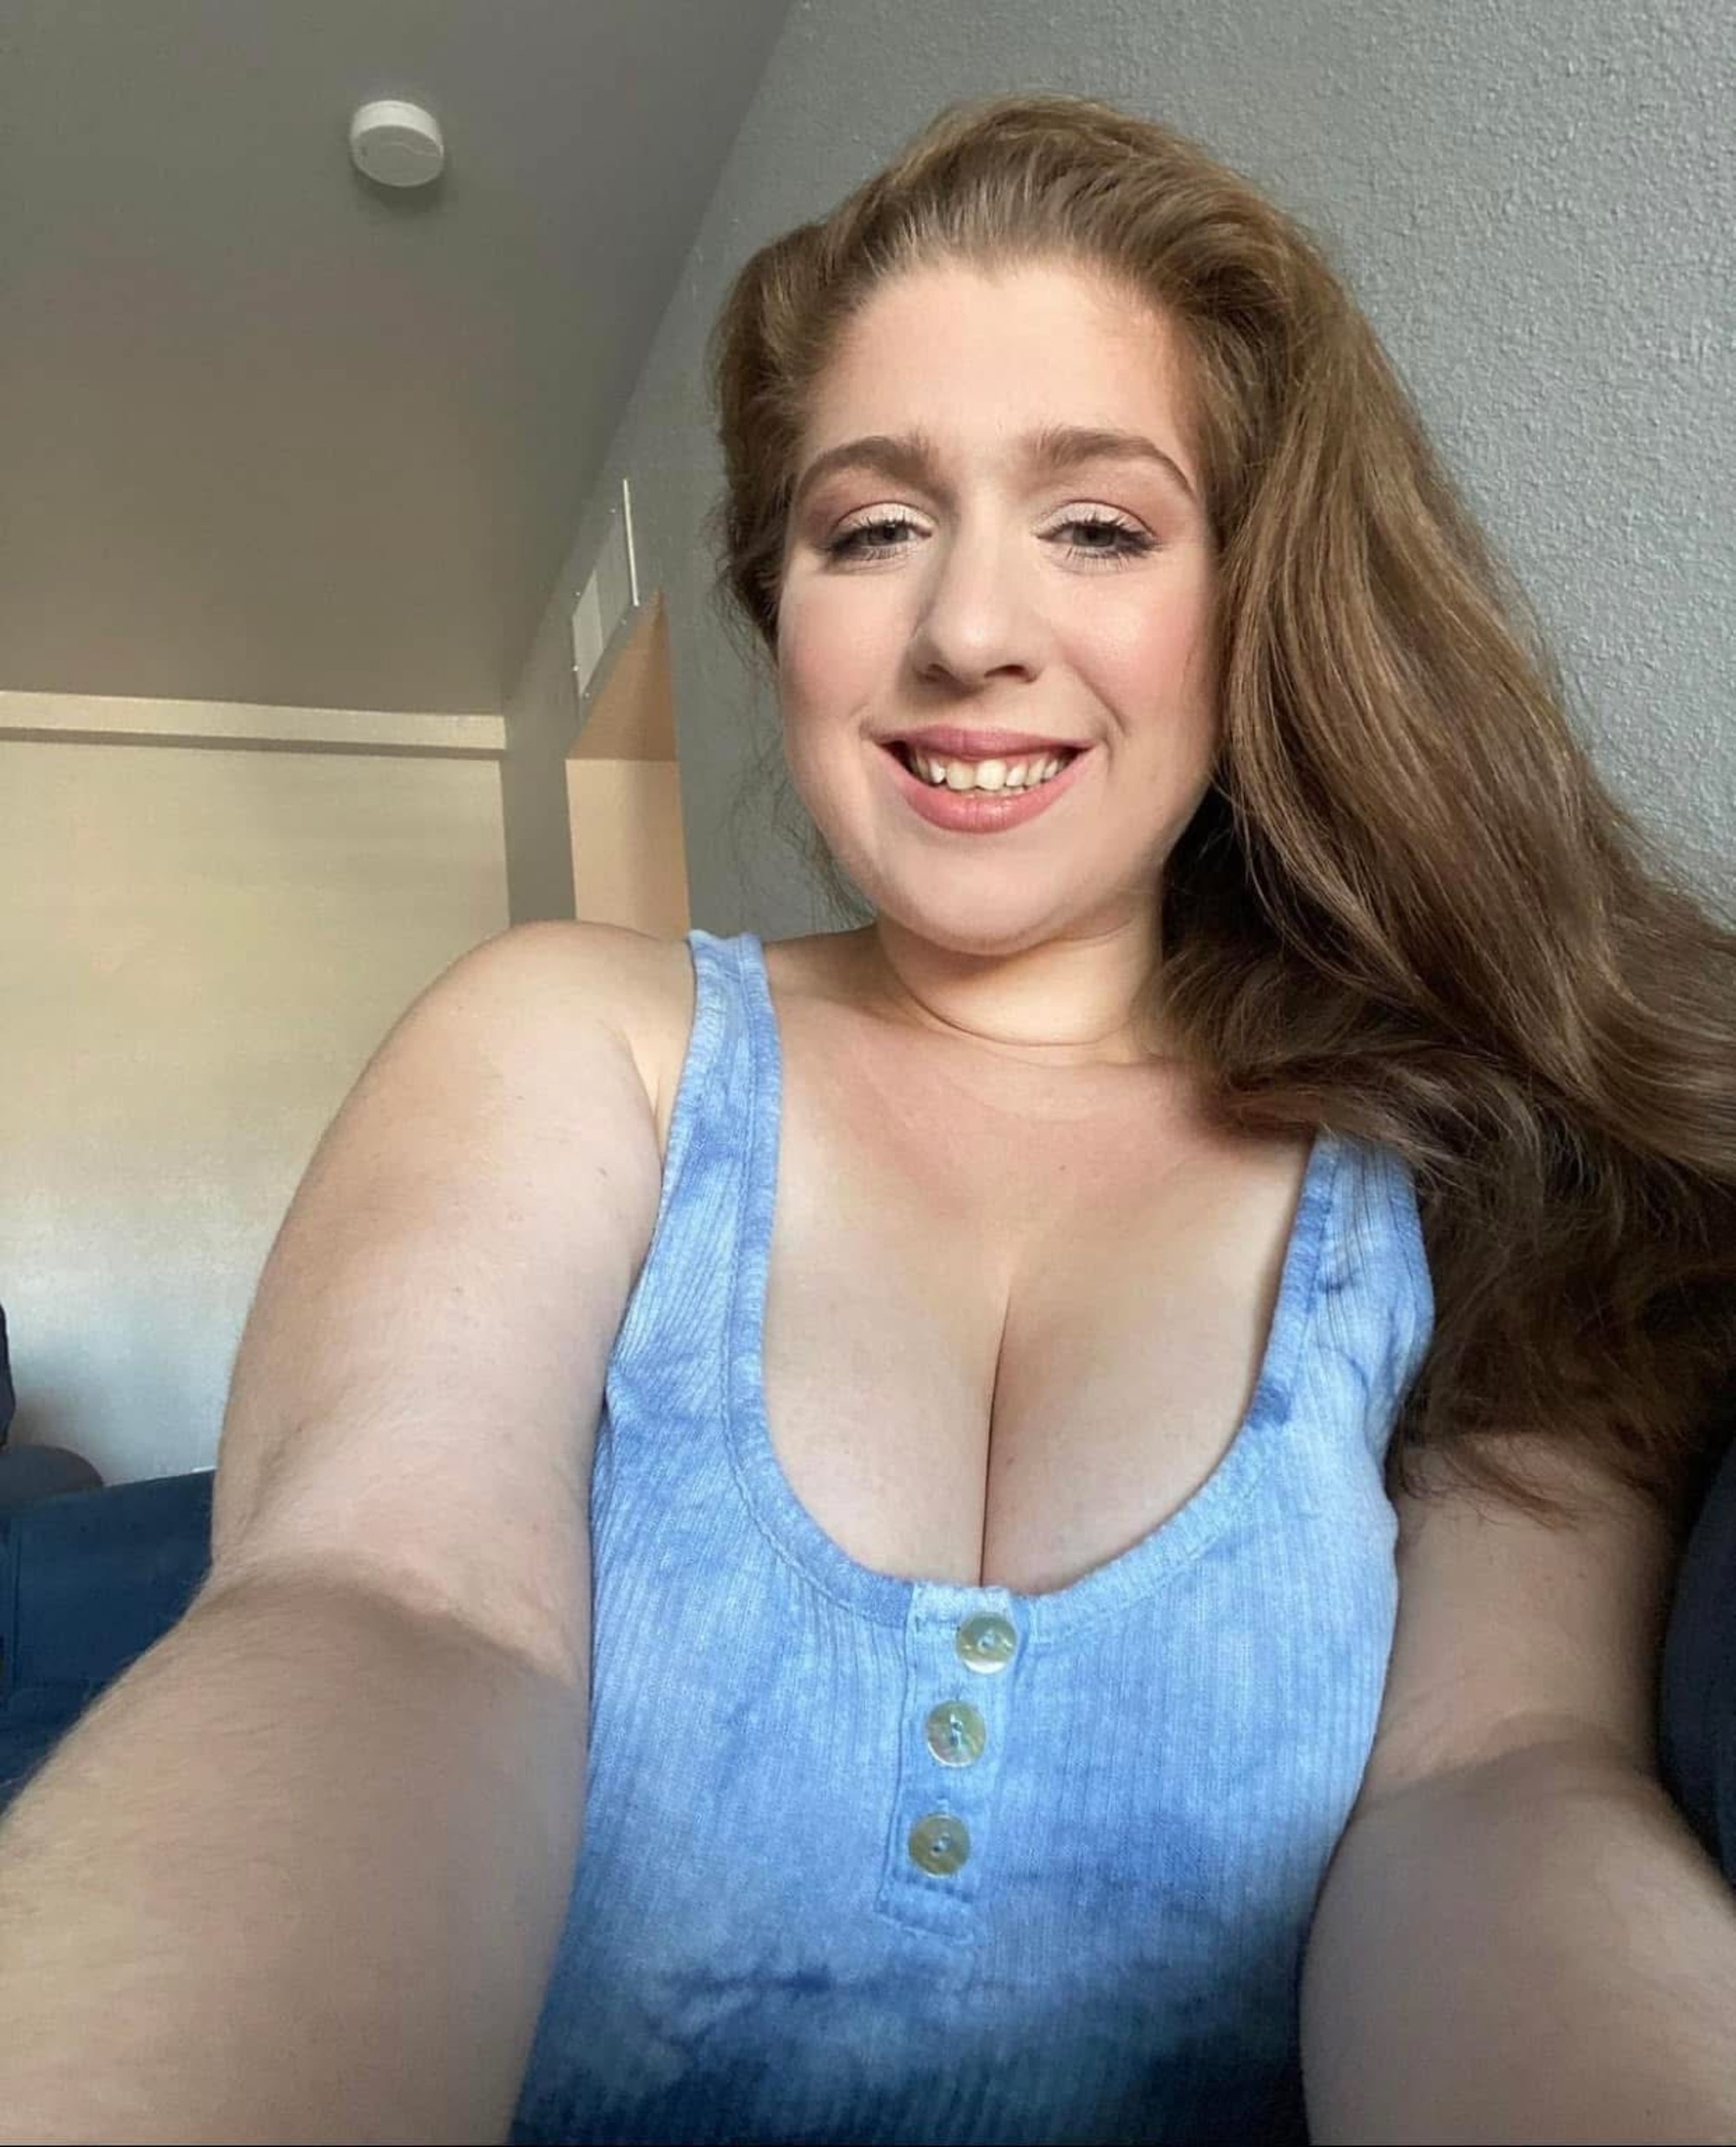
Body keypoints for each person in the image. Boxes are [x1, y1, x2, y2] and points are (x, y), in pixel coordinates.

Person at [1, 90, 1733, 2147]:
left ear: (1253, 600)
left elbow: (1502, 1779)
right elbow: (384, 1606)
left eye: (1098, 525)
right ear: (778, 609)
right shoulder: (576, 1044)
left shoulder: (1470, 1161)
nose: (966, 629)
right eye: (870, 526)